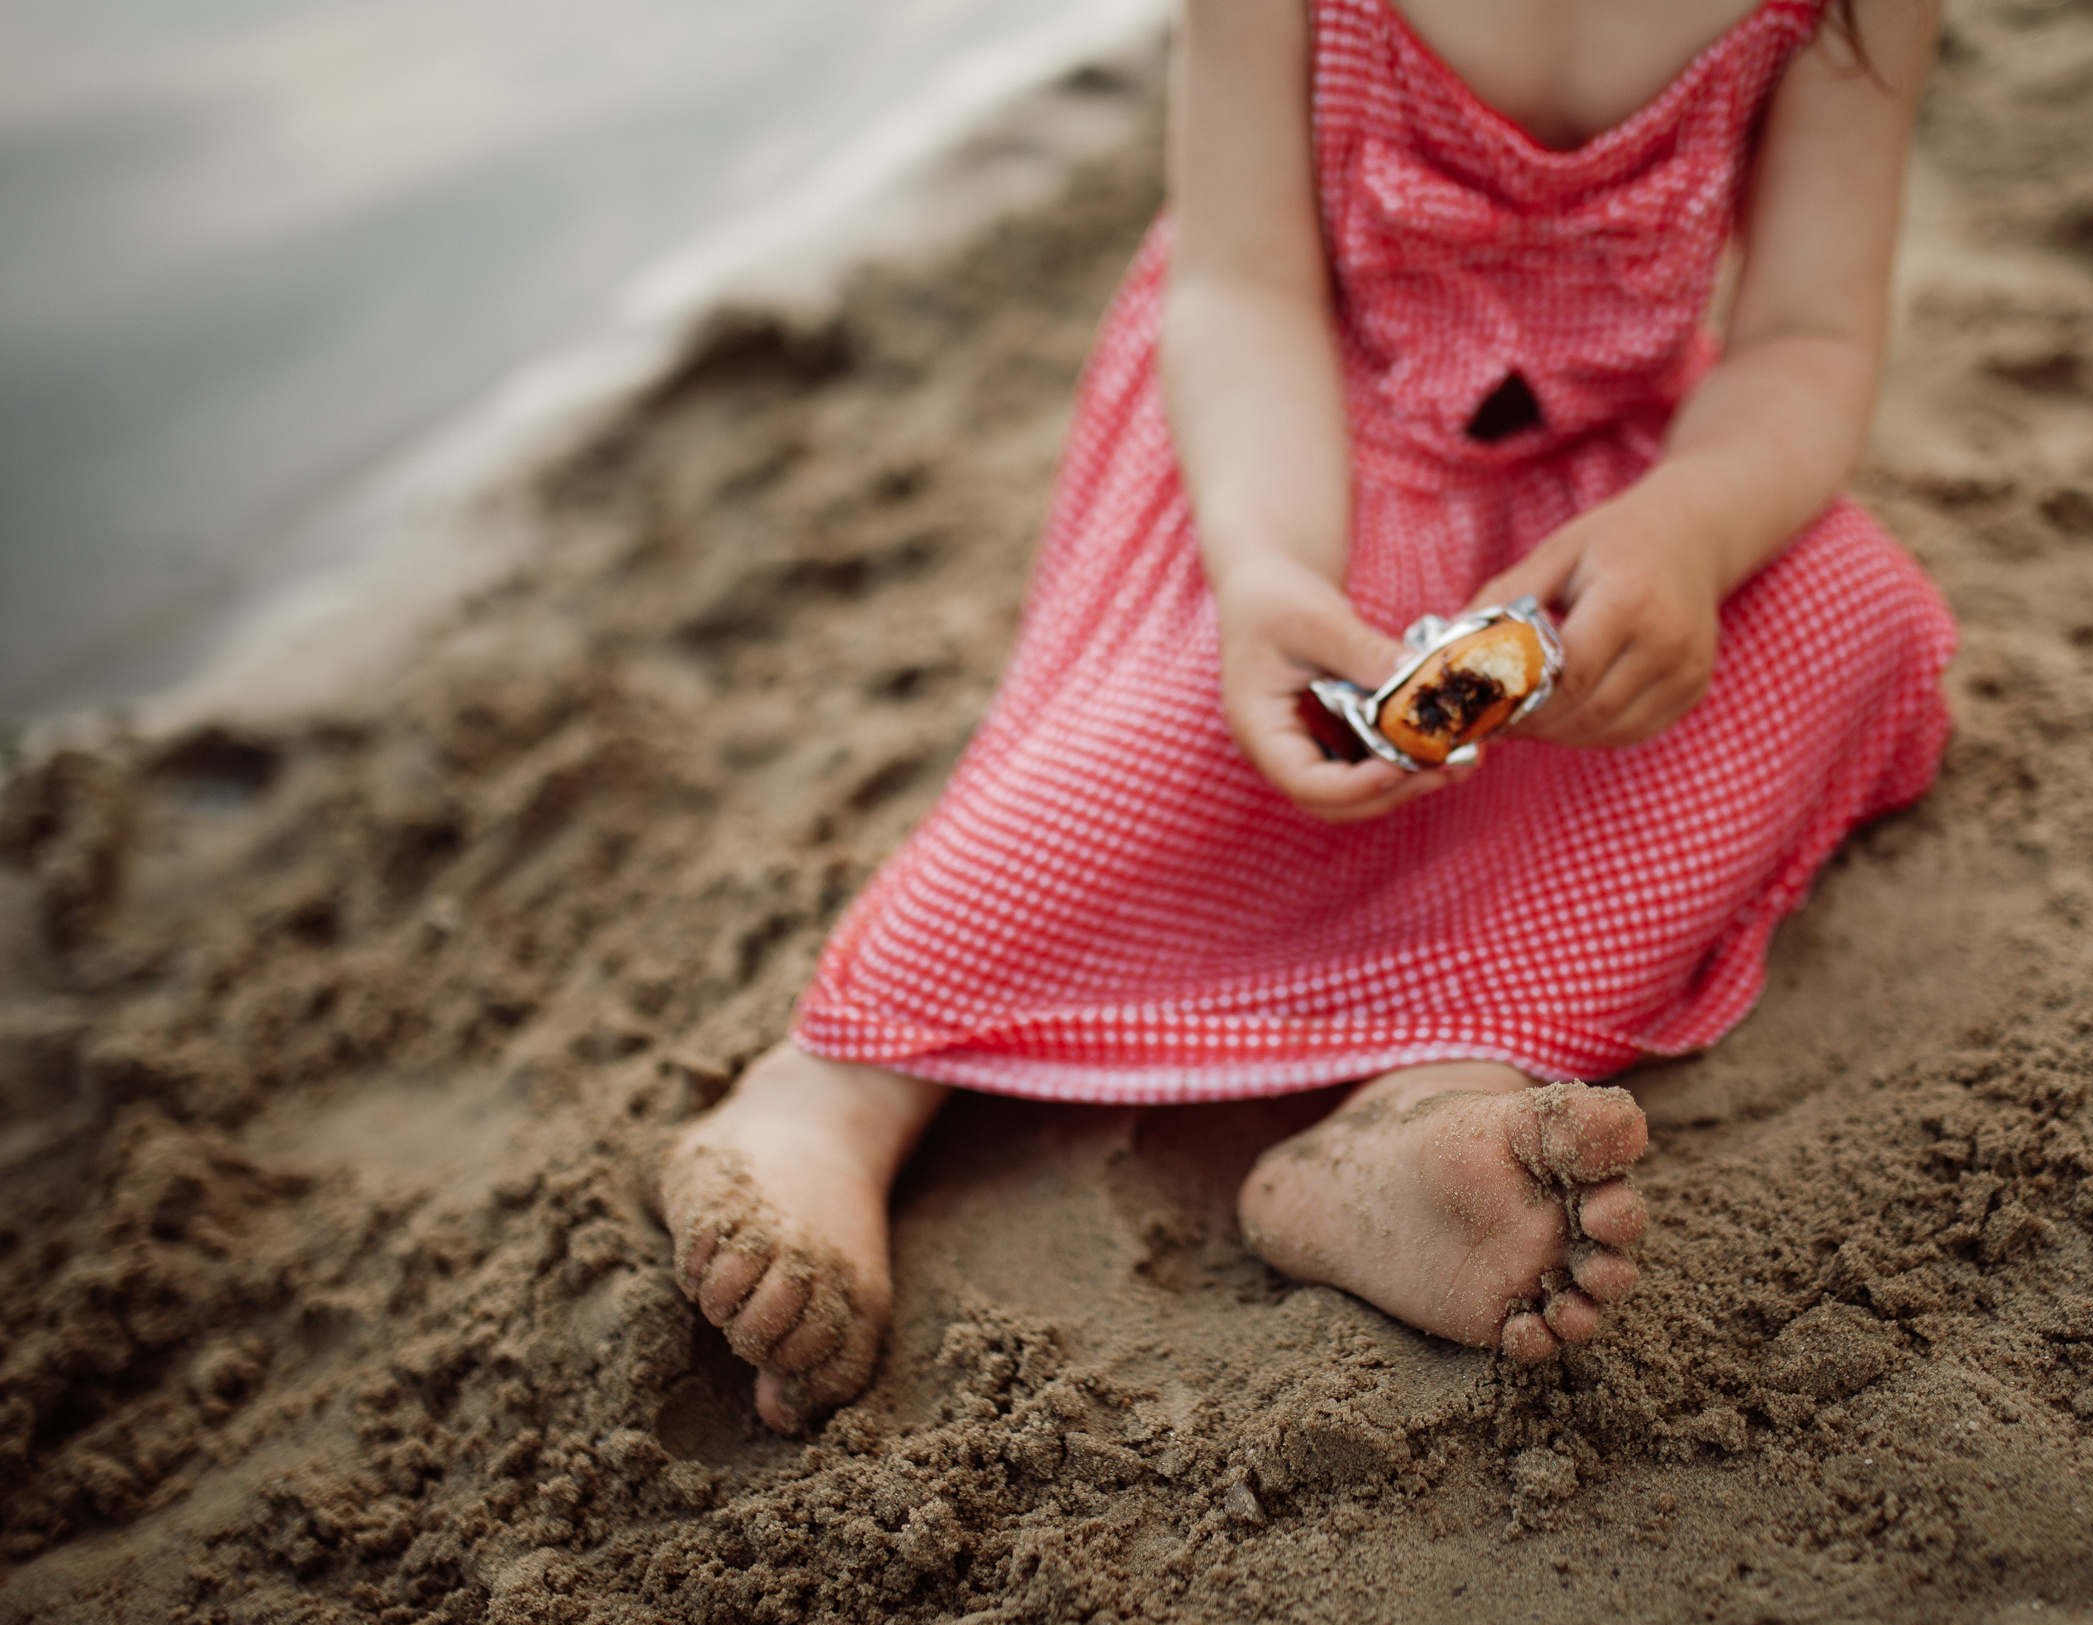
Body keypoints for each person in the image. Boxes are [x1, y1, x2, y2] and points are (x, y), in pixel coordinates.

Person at [657, 0, 1956, 1432]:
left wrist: (1691, 533)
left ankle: (1421, 1101)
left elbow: (1809, 339)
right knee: (1156, 749)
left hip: (1615, 481)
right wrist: (1267, 573)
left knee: (1855, 608)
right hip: (1298, 456)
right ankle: (837, 1090)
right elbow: (1240, 287)